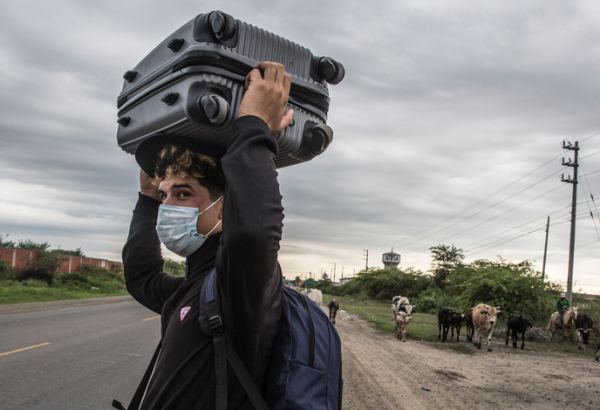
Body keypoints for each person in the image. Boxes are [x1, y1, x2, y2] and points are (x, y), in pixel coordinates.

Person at [122, 62, 293, 409]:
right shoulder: (198, 287)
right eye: (164, 196)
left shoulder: (240, 287)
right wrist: (145, 199)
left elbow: (253, 234)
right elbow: (142, 277)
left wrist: (254, 126)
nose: (167, 206)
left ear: (223, 207)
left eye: (183, 194)